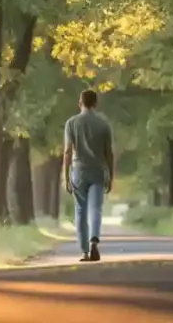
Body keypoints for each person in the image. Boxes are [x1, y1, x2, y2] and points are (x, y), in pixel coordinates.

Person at [63, 89, 113, 262]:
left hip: (78, 171)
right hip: (98, 170)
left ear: (80, 103)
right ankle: (94, 241)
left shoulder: (71, 123)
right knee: (96, 208)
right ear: (95, 103)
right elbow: (109, 153)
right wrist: (111, 175)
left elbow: (68, 152)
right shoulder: (103, 124)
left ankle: (84, 251)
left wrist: (66, 176)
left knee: (81, 211)